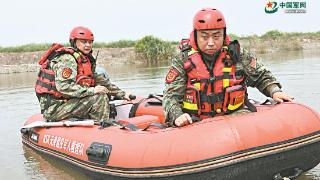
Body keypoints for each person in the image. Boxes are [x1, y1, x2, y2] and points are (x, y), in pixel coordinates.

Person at [163, 8, 293, 127]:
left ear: (224, 34)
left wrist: (275, 91)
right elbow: (171, 95)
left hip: (236, 117)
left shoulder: (237, 54)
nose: (210, 43)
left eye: (216, 36)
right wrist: (177, 115)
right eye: (204, 37)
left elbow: (261, 76)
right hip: (197, 122)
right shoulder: (183, 60)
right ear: (195, 36)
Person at [35, 26, 131, 123]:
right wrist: (92, 90)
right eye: (83, 42)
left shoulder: (85, 60)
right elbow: (64, 87)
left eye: (90, 42)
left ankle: (97, 125)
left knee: (100, 91)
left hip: (70, 103)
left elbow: (101, 82)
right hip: (55, 109)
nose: (88, 45)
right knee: (98, 97)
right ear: (74, 42)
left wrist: (122, 94)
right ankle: (100, 130)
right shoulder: (67, 59)